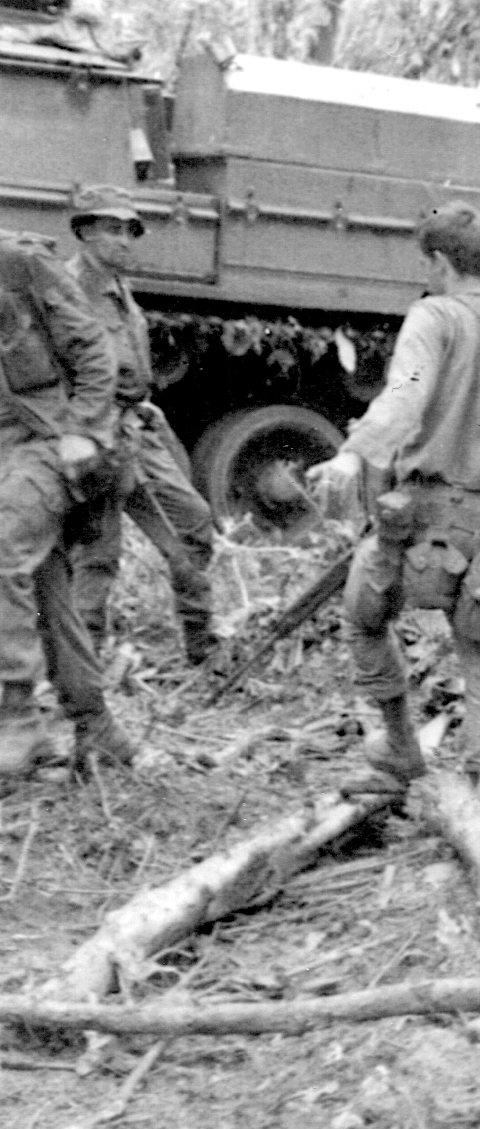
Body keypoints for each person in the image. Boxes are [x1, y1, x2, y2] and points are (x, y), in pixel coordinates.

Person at [304, 203, 480, 787]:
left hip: (414, 532)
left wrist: (353, 451)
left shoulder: (432, 317)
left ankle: (398, 747)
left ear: (439, 262)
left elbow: (406, 396)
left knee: (364, 621)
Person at [60, 186, 220, 668]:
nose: (124, 240)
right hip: (94, 438)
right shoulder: (64, 291)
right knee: (98, 553)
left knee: (193, 523)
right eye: (112, 229)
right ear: (85, 231)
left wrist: (145, 406)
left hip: (134, 430)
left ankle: (202, 647)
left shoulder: (118, 289)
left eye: (129, 230)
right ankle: (82, 666)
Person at [0, 229, 130, 777]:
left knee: (3, 550)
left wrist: (82, 432)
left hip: (49, 441)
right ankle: (97, 725)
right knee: (44, 587)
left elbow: (95, 351)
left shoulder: (20, 265)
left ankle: (16, 719)